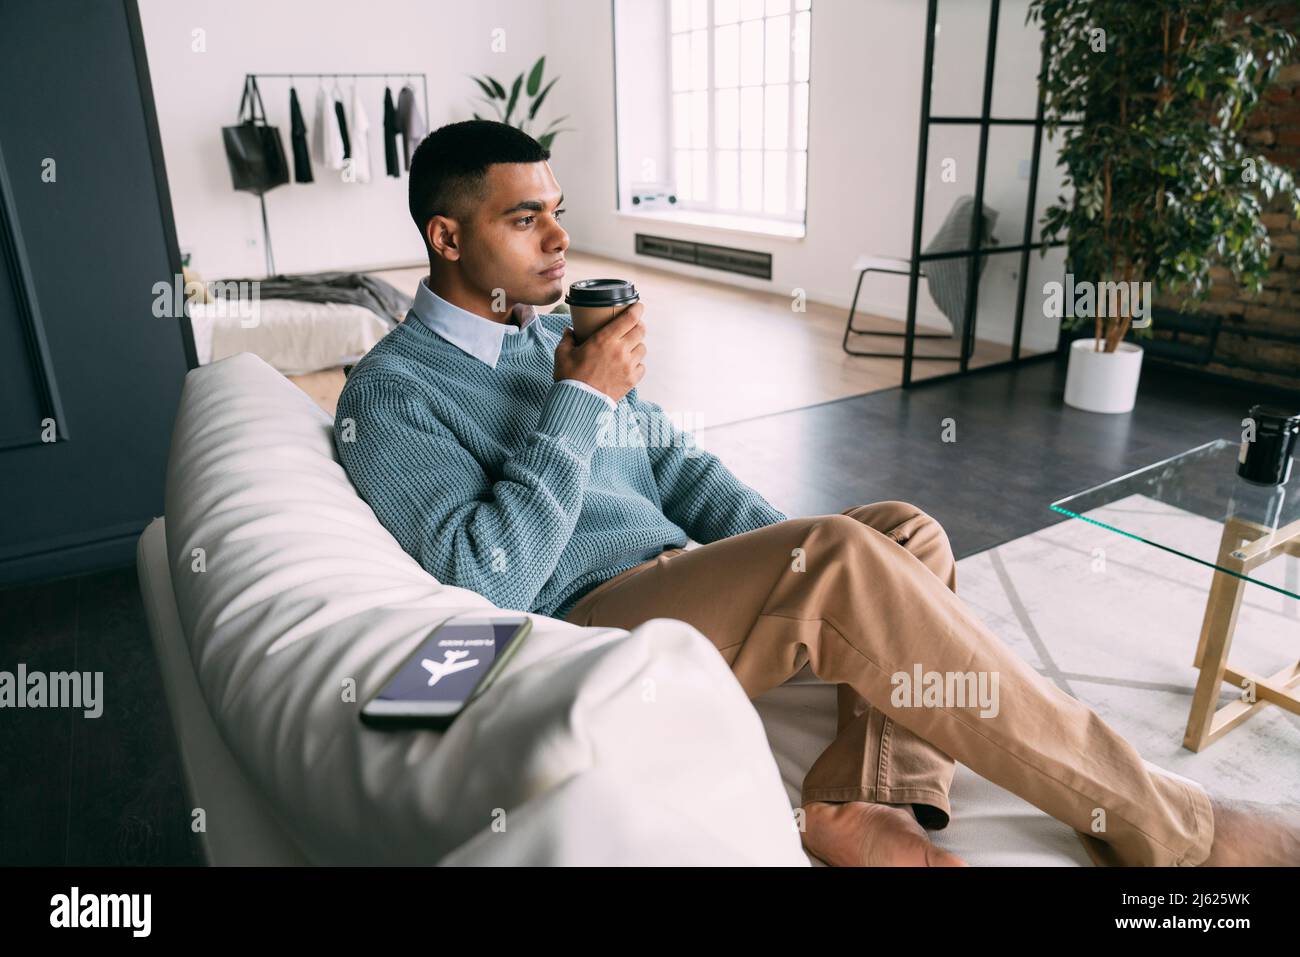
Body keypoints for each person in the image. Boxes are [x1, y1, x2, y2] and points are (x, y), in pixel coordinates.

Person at [334, 119, 1298, 867]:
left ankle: (865, 801)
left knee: (898, 532)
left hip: (686, 581)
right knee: (840, 558)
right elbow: (483, 579)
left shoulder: (550, 337)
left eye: (557, 208)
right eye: (524, 218)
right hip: (579, 624)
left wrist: (811, 557)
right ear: (446, 235)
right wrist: (582, 401)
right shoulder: (392, 392)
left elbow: (678, 468)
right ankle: (1175, 827)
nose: (561, 236)